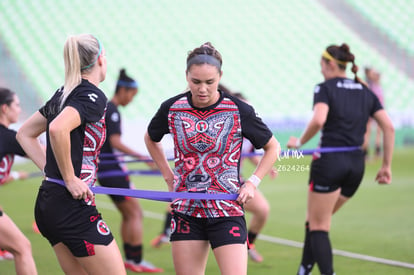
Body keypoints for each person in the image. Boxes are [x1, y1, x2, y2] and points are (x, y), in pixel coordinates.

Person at [144, 42, 280, 275]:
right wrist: (168, 176)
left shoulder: (238, 110)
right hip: (186, 210)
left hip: (227, 210)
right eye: (195, 81)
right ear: (186, 76)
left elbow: (273, 147)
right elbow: (150, 138)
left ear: (220, 76)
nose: (203, 89)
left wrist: (252, 182)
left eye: (210, 82)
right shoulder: (172, 108)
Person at [16, 34, 126, 275]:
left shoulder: (64, 93)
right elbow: (57, 128)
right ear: (100, 60)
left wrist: (53, 172)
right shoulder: (92, 95)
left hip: (49, 202)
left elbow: (24, 134)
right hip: (70, 206)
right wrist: (68, 177)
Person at [287, 43, 394, 275]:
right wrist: (386, 166)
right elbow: (388, 127)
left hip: (330, 163)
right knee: (315, 221)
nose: (321, 71)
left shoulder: (325, 88)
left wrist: (299, 143)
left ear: (331, 64)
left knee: (318, 225)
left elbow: (318, 120)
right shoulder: (366, 90)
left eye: (322, 66)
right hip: (356, 166)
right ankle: (304, 269)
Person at [97, 68, 163, 273]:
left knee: (129, 214)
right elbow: (115, 142)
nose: (131, 100)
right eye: (132, 95)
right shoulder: (112, 110)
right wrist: (143, 157)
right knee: (135, 213)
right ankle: (135, 260)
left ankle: (129, 259)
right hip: (112, 171)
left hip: (105, 171)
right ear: (123, 91)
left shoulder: (107, 109)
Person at [0, 88, 38, 275]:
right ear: (5, 108)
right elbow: (44, 153)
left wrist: (14, 176)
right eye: (16, 105)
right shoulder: (7, 137)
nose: (19, 109)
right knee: (22, 248)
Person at [363, 66, 385, 159]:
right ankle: (365, 152)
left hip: (378, 110)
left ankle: (377, 149)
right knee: (367, 131)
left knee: (378, 131)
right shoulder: (368, 85)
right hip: (370, 110)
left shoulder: (377, 85)